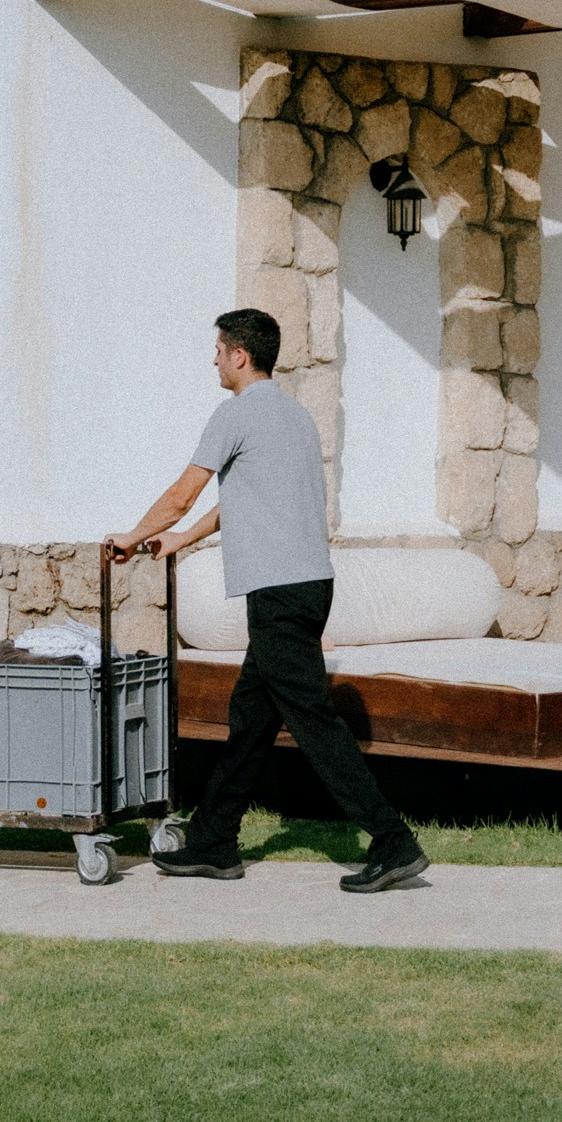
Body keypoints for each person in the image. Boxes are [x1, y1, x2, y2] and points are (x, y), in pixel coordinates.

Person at [106, 307, 430, 893]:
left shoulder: (234, 414)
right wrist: (179, 540)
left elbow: (182, 494)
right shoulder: (295, 416)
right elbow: (243, 497)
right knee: (252, 720)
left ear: (240, 355)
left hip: (279, 593)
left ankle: (393, 841)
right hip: (308, 586)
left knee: (313, 721)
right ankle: (214, 842)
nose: (213, 360)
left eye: (218, 350)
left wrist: (132, 536)